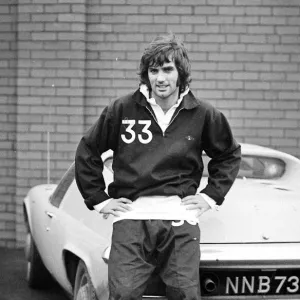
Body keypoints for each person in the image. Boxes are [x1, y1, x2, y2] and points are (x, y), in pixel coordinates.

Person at [75, 33, 241, 300]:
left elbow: (229, 154)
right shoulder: (122, 109)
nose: (160, 78)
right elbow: (88, 150)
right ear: (146, 74)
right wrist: (99, 199)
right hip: (131, 216)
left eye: (167, 69)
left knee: (184, 293)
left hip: (180, 217)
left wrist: (210, 196)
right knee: (123, 293)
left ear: (181, 73)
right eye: (154, 71)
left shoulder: (203, 113)